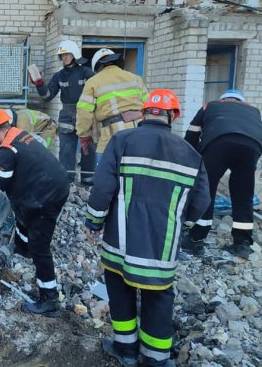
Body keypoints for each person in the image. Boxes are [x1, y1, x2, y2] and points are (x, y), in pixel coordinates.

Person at [84, 89, 210, 367]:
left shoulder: (122, 140)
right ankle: (156, 358)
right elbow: (202, 202)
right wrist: (177, 220)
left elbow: (103, 188)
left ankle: (126, 350)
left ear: (144, 113)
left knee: (119, 289)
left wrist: (93, 221)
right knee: (158, 296)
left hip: (121, 242)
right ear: (173, 116)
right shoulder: (191, 154)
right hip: (162, 247)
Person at [0, 109, 69, 317]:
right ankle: (23, 249)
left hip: (47, 194)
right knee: (23, 214)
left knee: (40, 245)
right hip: (54, 184)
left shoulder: (7, 148)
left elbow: (1, 183)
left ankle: (49, 298)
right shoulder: (19, 133)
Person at [182, 89, 262, 259]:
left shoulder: (209, 106)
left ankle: (196, 240)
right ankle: (242, 244)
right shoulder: (254, 110)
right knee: (243, 194)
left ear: (222, 100)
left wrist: (193, 158)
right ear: (240, 101)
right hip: (251, 148)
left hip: (218, 144)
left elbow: (192, 133)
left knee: (206, 190)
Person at [29, 40, 95, 184]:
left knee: (87, 149)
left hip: (86, 115)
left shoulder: (86, 72)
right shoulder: (59, 76)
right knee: (66, 151)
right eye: (62, 55)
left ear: (74, 54)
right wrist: (39, 84)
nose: (64, 57)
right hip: (66, 115)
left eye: (67, 54)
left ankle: (88, 181)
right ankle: (67, 181)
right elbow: (47, 96)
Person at [76, 48, 148, 158]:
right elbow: (149, 106)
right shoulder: (136, 79)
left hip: (112, 136)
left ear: (97, 66)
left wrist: (84, 135)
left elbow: (84, 113)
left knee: (106, 173)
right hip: (140, 133)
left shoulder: (93, 82)